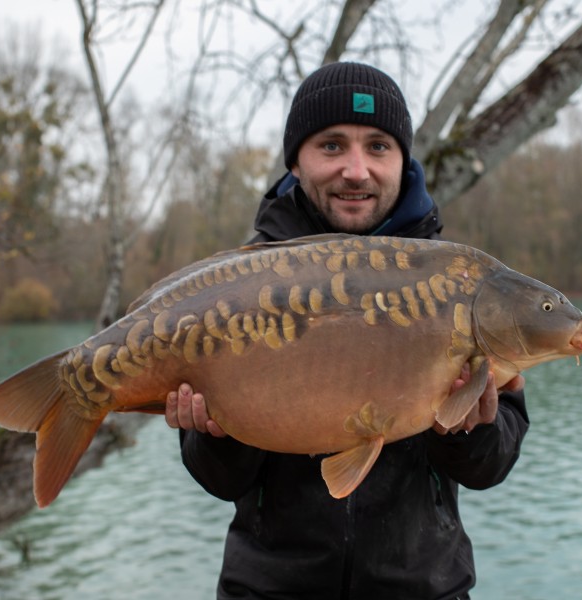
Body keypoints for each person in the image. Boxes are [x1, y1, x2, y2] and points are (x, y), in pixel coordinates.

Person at [165, 62, 529, 600]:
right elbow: (222, 481)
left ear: (403, 161)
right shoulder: (244, 286)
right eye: (332, 146)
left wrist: (465, 428)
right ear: (296, 160)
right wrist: (217, 436)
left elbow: (491, 465)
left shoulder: (457, 282)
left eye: (378, 146)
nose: (356, 170)